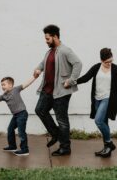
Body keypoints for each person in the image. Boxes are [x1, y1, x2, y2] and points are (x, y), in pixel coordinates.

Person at [34, 24, 82, 156]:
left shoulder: (65, 50)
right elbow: (44, 63)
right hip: (47, 90)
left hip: (61, 91)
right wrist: (38, 69)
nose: (46, 41)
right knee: (40, 110)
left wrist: (71, 80)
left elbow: (78, 64)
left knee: (62, 120)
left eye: (48, 38)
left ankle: (65, 148)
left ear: (55, 36)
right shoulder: (49, 52)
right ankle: (55, 134)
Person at [77, 48, 117, 158]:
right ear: (101, 60)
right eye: (106, 62)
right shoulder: (96, 67)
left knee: (98, 121)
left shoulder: (116, 69)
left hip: (109, 98)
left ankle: (109, 143)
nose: (109, 64)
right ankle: (107, 149)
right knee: (104, 122)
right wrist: (72, 82)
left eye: (110, 61)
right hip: (97, 99)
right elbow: (86, 78)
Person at [0, 76, 36, 156]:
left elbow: (26, 84)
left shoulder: (16, 89)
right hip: (15, 115)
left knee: (21, 132)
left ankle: (25, 150)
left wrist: (34, 77)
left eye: (4, 84)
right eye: (1, 85)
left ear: (10, 85)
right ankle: (12, 146)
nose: (2, 87)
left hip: (22, 113)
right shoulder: (4, 96)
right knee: (10, 129)